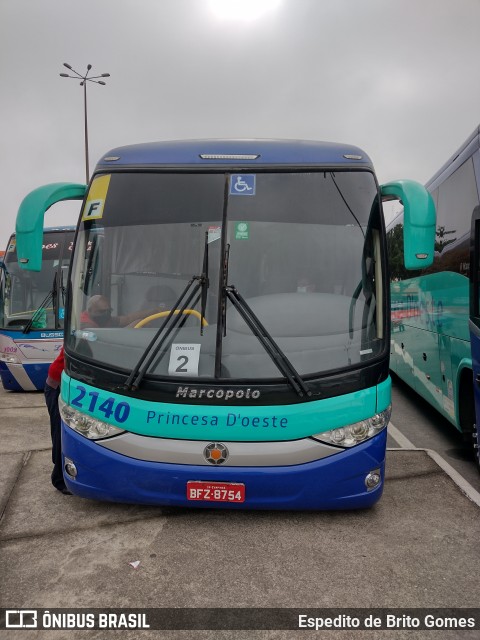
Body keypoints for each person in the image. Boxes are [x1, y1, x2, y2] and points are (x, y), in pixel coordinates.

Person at [44, 346, 70, 495]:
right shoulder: (84, 327)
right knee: (61, 432)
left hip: (63, 385)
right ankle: (59, 480)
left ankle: (58, 464)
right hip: (57, 387)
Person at [80, 294, 165, 328]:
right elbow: (110, 341)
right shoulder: (85, 325)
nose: (106, 314)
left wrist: (154, 311)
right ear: (89, 310)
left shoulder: (101, 318)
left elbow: (127, 318)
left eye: (109, 311)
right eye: (101, 311)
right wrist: (137, 324)